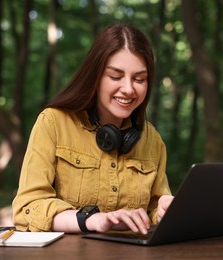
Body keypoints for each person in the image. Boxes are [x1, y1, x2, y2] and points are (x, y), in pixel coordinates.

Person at [12, 23, 173, 235]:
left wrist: (163, 210)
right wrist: (92, 220)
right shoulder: (53, 122)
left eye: (139, 79)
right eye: (115, 76)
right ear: (94, 77)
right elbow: (27, 208)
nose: (128, 89)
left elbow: (153, 208)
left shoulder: (151, 138)